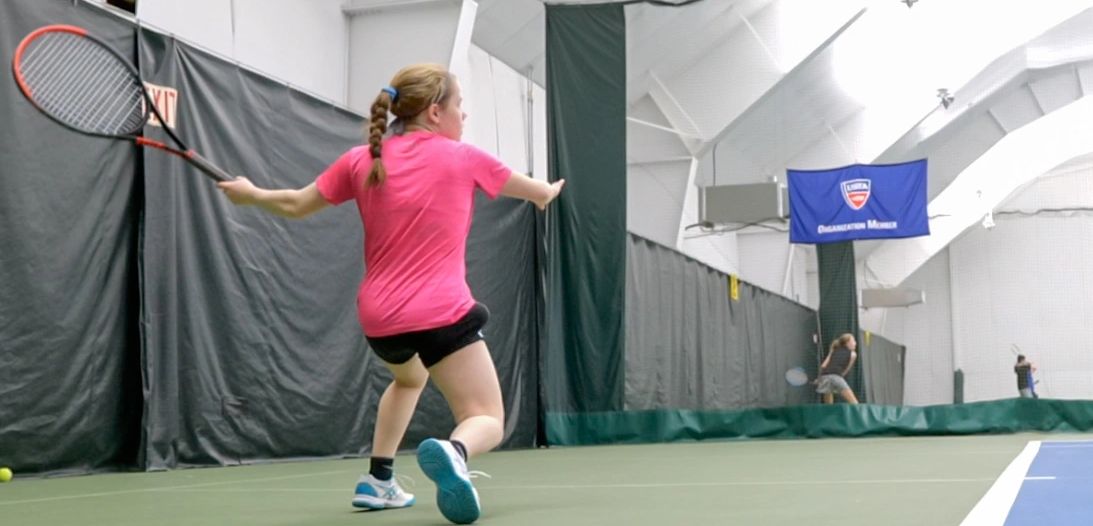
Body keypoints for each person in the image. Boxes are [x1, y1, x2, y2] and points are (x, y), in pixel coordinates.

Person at [216, 63, 565, 525]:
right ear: (435, 112)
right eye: (460, 105)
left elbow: (296, 204)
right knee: (486, 417)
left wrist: (250, 194)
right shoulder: (464, 157)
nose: (464, 115)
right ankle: (455, 452)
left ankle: (378, 481)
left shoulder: (360, 159)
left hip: (380, 321)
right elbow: (537, 192)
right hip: (440, 313)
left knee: (409, 379)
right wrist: (547, 191)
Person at [815, 333, 859, 404]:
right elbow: (846, 370)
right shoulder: (853, 354)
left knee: (828, 405)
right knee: (854, 403)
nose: (855, 343)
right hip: (836, 376)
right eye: (853, 341)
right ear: (847, 342)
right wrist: (838, 379)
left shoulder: (833, 350)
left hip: (825, 377)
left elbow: (823, 366)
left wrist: (819, 378)